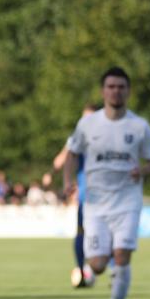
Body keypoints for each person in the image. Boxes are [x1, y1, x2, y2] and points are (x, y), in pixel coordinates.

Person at [63, 67, 150, 299]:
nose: (116, 91)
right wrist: (68, 182)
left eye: (121, 86)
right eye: (111, 86)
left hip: (127, 201)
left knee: (123, 254)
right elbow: (71, 154)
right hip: (95, 204)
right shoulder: (88, 124)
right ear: (103, 91)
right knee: (99, 263)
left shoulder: (139, 127)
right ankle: (95, 271)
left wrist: (143, 170)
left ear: (128, 91)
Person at [53, 104, 97, 287]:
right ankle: (81, 270)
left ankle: (105, 271)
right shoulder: (77, 138)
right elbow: (62, 160)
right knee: (81, 233)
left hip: (108, 196)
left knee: (104, 235)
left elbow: (60, 161)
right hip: (87, 195)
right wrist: (67, 182)